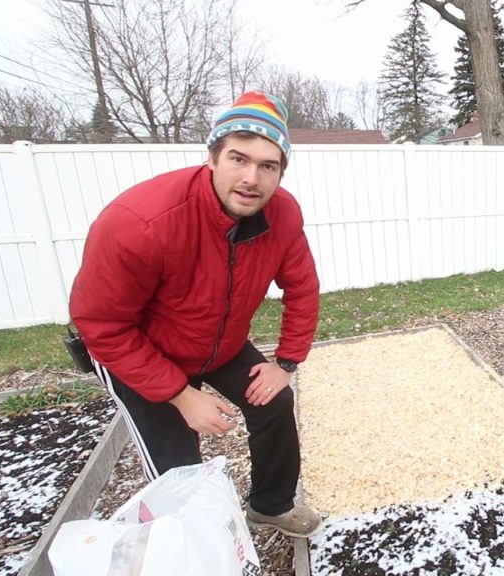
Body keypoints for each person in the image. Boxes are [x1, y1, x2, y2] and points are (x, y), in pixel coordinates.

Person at [69, 91, 322, 538]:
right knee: (179, 468)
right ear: (212, 157)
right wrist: (181, 395)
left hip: (217, 343)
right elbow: (101, 326)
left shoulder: (283, 214)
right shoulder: (139, 221)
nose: (252, 178)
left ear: (282, 171)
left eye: (269, 166)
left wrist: (285, 362)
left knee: (275, 401)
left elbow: (302, 286)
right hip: (140, 354)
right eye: (239, 159)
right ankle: (201, 546)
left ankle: (270, 505)